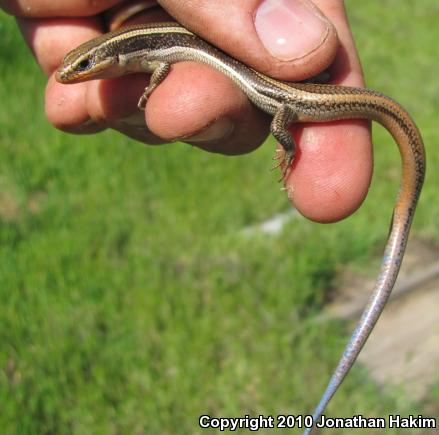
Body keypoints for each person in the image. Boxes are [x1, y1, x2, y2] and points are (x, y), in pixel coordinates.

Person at [1, 0, 372, 223]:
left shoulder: (139, 50)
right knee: (190, 103)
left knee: (277, 128)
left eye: (82, 66)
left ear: (108, 57)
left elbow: (160, 64)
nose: (73, 75)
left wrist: (288, 147)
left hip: (283, 100)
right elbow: (159, 65)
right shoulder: (138, 49)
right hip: (274, 89)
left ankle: (290, 150)